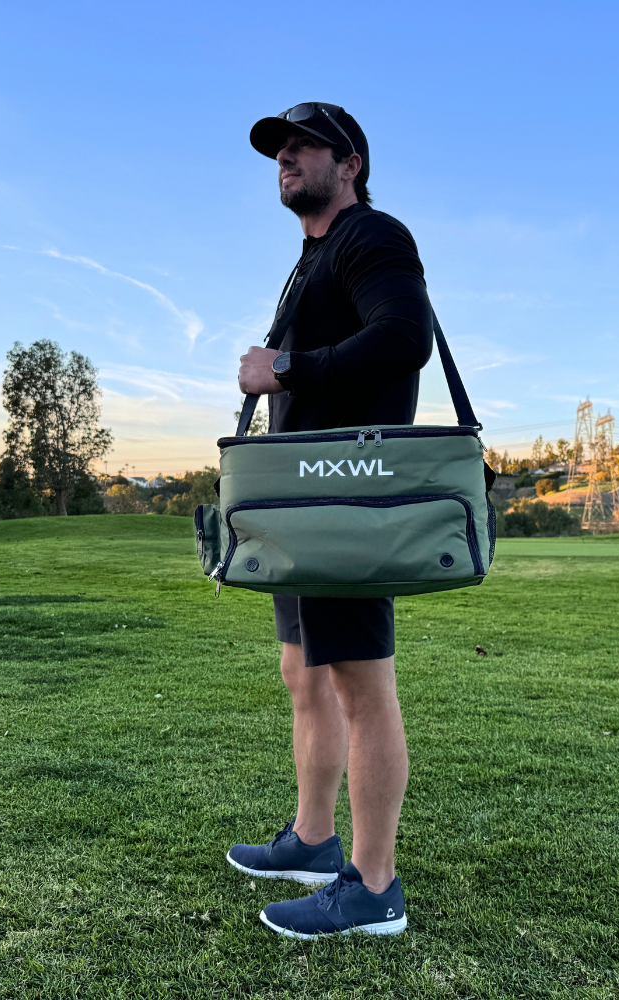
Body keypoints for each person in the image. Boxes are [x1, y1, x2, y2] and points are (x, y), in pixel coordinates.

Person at [227, 103, 433, 938]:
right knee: (303, 675)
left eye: (304, 145)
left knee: (360, 687)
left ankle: (373, 888)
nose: (286, 157)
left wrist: (285, 364)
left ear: (350, 163)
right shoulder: (313, 259)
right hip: (300, 504)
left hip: (347, 501)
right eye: (280, 148)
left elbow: (405, 336)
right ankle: (313, 840)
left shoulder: (372, 236)